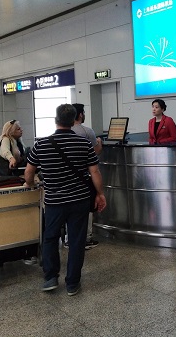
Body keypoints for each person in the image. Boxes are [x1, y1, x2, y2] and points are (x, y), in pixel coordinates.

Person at [23, 104, 106, 296]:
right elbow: (95, 171)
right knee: (77, 241)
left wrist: (30, 184)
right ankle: (72, 283)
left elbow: (29, 172)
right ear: (74, 120)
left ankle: (51, 277)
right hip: (80, 200)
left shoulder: (41, 145)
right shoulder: (84, 144)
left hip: (54, 202)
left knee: (50, 237)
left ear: (55, 120)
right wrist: (100, 194)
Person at [71, 103, 102, 250]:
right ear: (80, 115)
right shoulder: (87, 132)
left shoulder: (65, 131)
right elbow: (95, 152)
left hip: (68, 178)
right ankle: (86, 238)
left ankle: (68, 238)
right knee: (88, 208)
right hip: (84, 176)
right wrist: (100, 143)